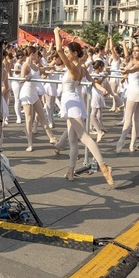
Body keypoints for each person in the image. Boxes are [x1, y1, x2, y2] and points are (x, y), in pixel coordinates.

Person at [53, 28, 114, 187]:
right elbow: (93, 82)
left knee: (84, 137)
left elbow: (58, 49)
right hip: (74, 102)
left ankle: (103, 166)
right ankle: (71, 173)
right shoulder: (82, 68)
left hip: (72, 103)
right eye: (66, 52)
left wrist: (55, 33)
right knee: (73, 141)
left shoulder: (73, 68)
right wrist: (103, 90)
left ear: (74, 53)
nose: (65, 54)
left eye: (68, 52)